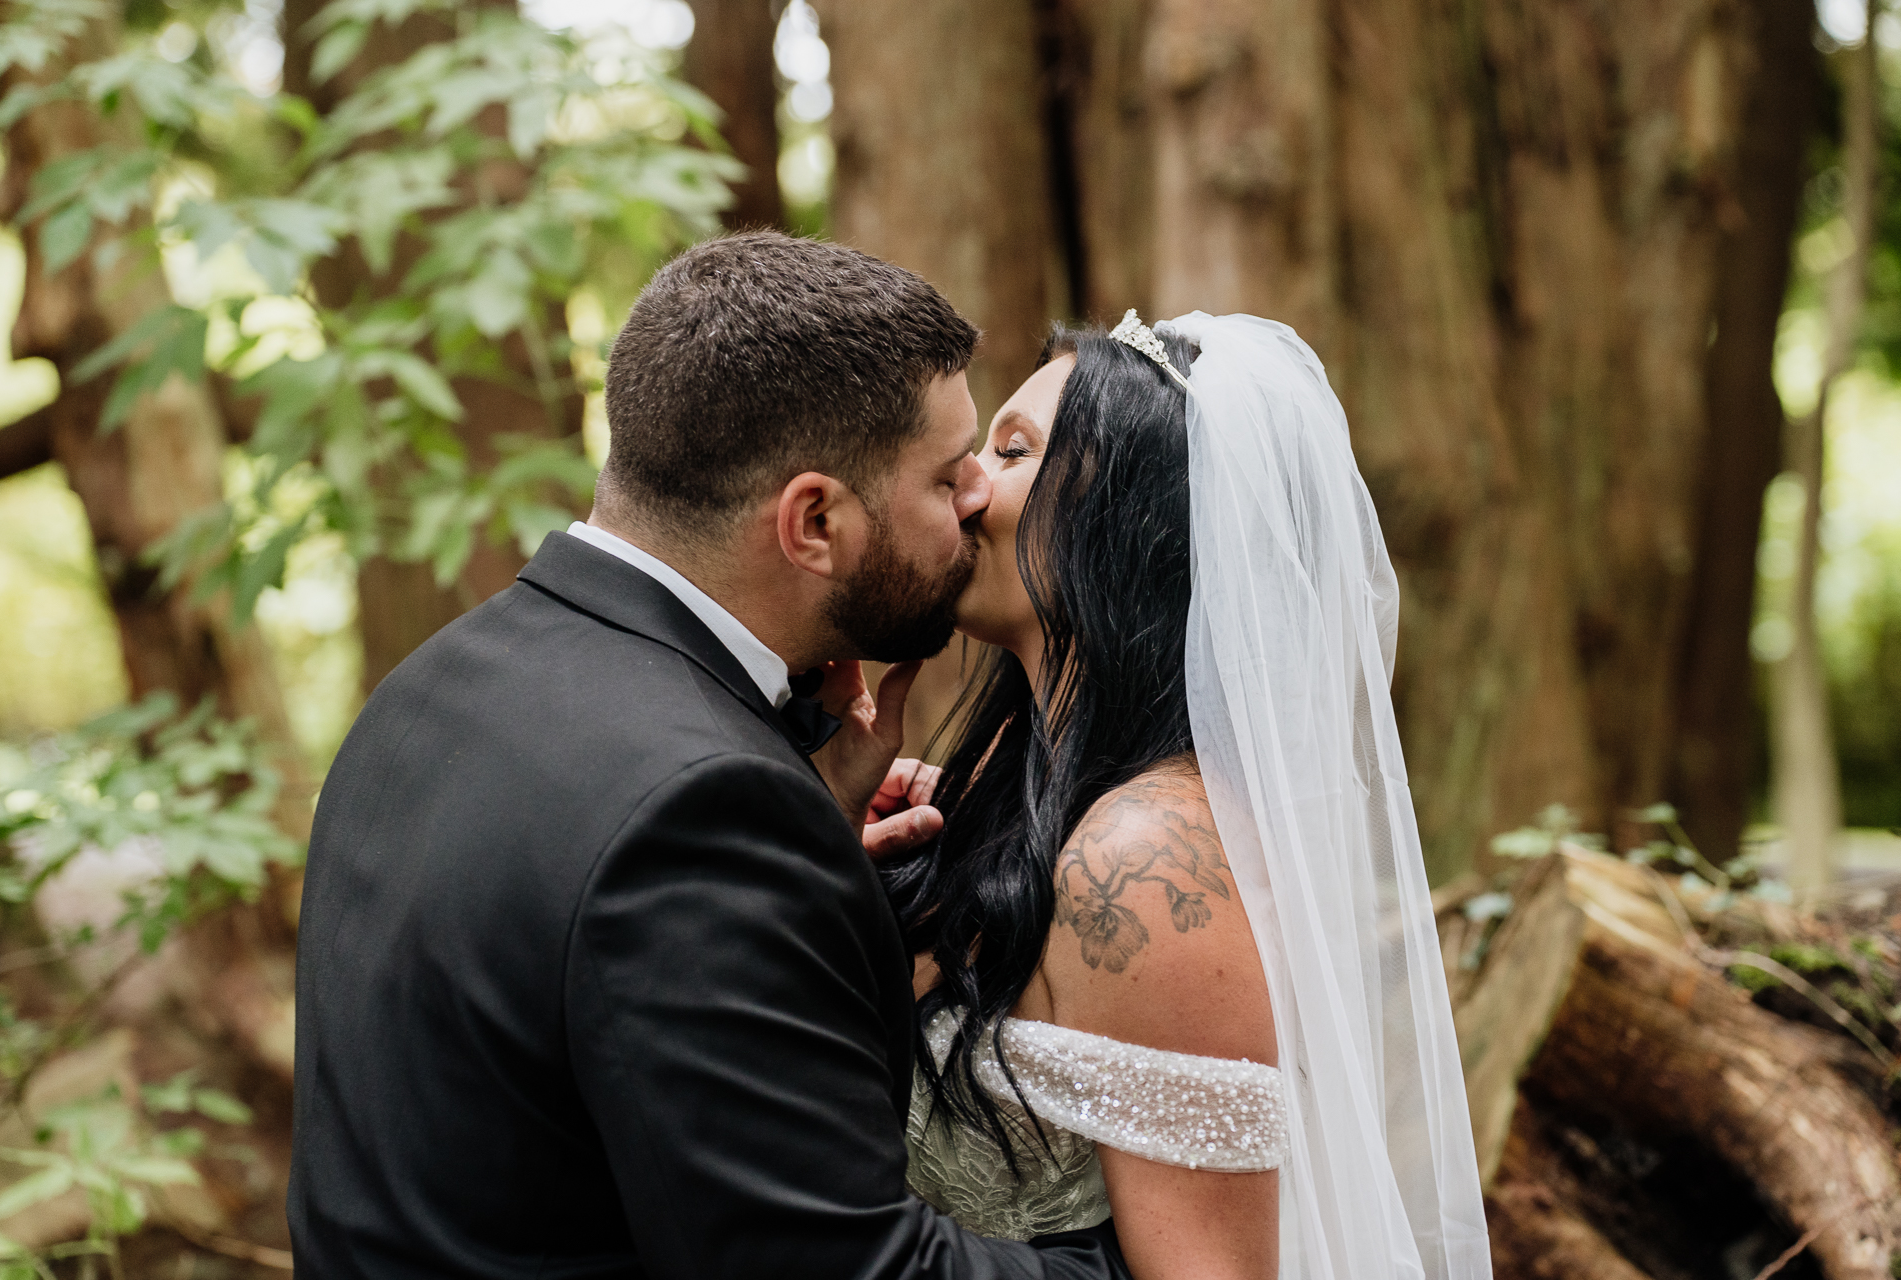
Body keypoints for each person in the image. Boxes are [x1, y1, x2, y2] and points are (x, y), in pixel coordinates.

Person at [286, 232, 1136, 1279]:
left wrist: (808, 841)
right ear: (814, 520)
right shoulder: (699, 812)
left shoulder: (428, 692)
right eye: (946, 472)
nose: (975, 498)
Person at [875, 313, 1494, 1280]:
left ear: (1128, 521)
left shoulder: (1148, 857)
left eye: (1012, 449)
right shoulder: (1031, 794)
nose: (965, 484)